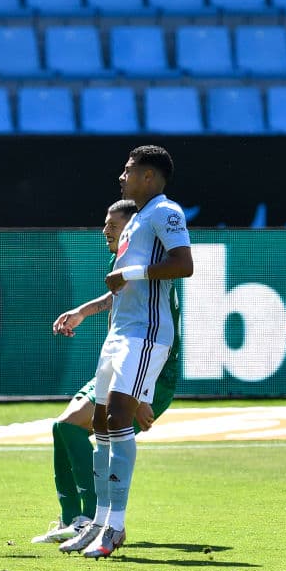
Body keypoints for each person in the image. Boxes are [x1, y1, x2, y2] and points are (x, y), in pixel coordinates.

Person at [57, 145, 193, 559]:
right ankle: (97, 522)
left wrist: (131, 271)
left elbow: (184, 264)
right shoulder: (137, 222)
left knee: (118, 419)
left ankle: (115, 527)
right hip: (120, 332)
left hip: (146, 334)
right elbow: (124, 285)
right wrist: (93, 305)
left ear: (148, 177)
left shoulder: (166, 211)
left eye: (129, 170)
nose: (122, 176)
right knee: (99, 423)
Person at [31, 199, 180, 545]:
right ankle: (77, 519)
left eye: (114, 225)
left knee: (86, 430)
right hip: (125, 364)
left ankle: (104, 522)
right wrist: (84, 311)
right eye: (106, 224)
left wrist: (144, 395)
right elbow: (118, 297)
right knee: (64, 427)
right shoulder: (123, 262)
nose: (106, 231)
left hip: (151, 373)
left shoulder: (153, 265)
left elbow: (160, 337)